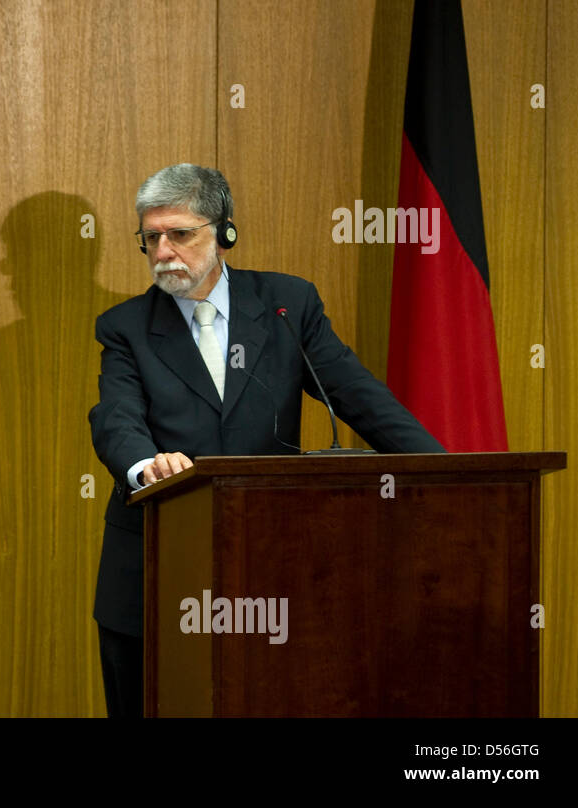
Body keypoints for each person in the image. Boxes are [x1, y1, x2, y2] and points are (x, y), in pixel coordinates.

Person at [88, 163, 444, 717]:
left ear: (224, 232)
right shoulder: (125, 327)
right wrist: (144, 466)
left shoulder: (286, 305)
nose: (163, 251)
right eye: (150, 237)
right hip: (157, 570)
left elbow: (358, 397)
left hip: (278, 563)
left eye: (180, 234)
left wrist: (441, 470)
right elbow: (116, 418)